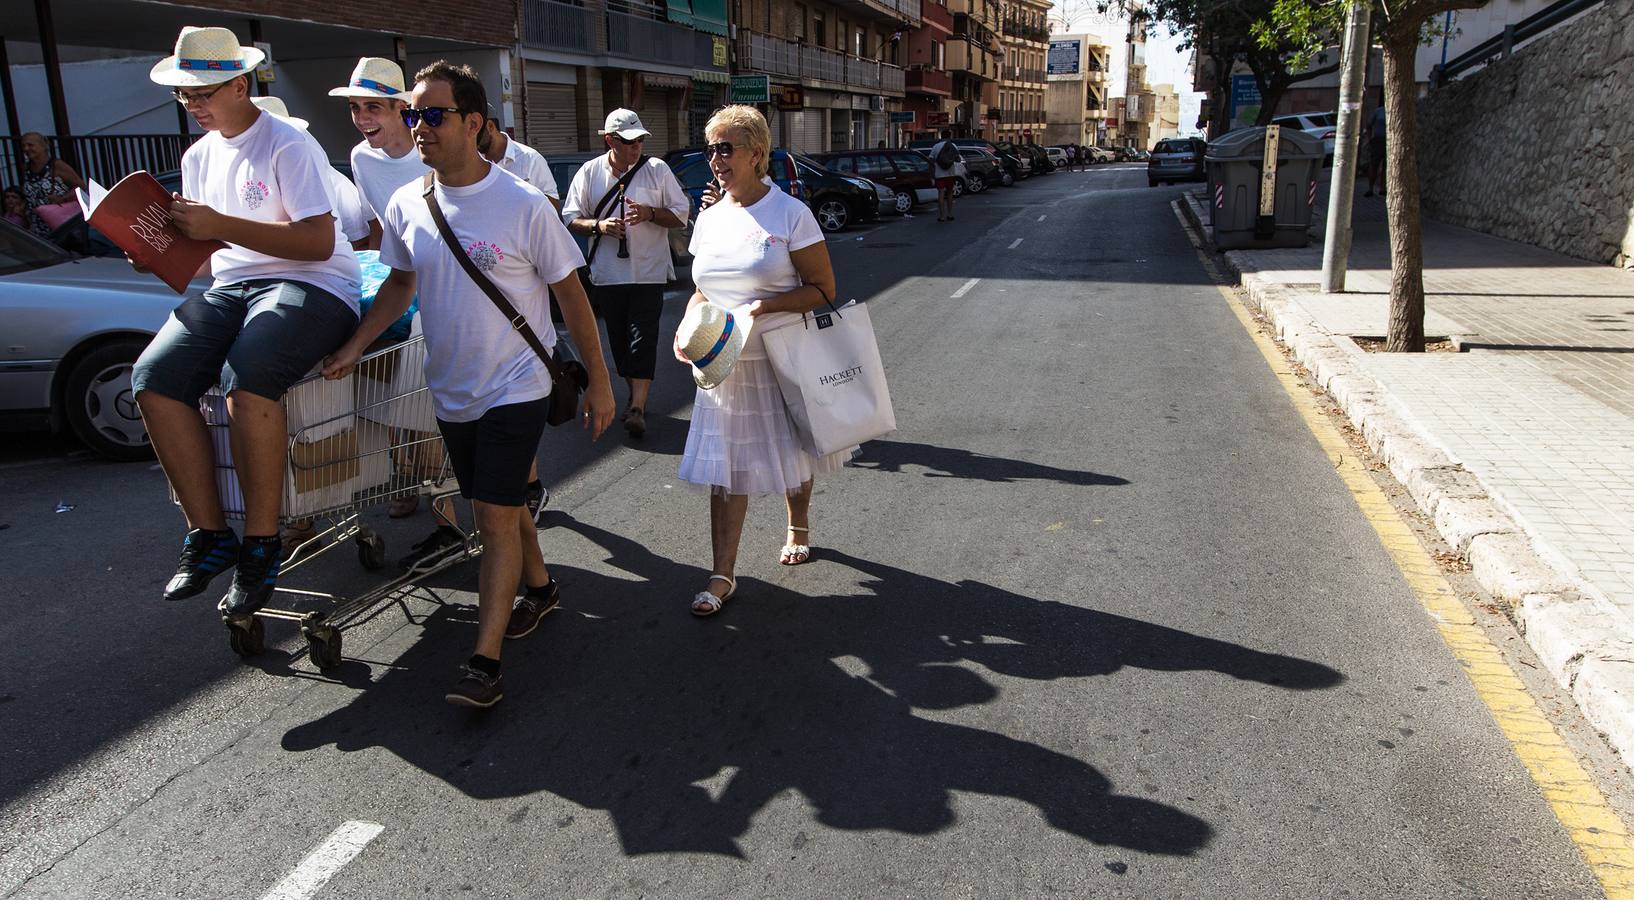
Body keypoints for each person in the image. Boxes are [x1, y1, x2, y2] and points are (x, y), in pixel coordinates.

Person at [321, 60, 614, 708]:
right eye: (411, 114)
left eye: (431, 114)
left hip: (517, 384)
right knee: (500, 503)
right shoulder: (406, 203)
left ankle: (485, 661)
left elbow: (570, 293)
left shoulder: (521, 202)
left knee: (490, 514)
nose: (416, 126)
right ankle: (540, 591)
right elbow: (399, 282)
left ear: (473, 122)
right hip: (451, 389)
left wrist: (598, 383)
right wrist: (354, 347)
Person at [132, 26, 362, 621]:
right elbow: (206, 256)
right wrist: (153, 250)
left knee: (250, 373)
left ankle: (262, 545)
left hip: (316, 283)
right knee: (153, 377)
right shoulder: (197, 155)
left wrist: (218, 227)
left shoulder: (288, 143)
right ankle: (209, 534)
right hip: (235, 284)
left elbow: (317, 241)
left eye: (204, 92)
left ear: (240, 84)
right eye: (185, 95)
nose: (195, 105)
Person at [672, 104, 842, 617]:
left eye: (726, 148)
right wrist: (687, 329)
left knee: (796, 451)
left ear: (757, 153)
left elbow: (824, 290)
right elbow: (702, 288)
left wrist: (766, 306)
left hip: (780, 355)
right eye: (711, 150)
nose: (716, 160)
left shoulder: (791, 214)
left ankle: (799, 523)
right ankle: (723, 573)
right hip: (724, 363)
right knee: (727, 470)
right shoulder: (709, 217)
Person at [563, 109, 689, 440]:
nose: (636, 149)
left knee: (643, 339)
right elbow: (570, 218)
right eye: (629, 143)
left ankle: (637, 407)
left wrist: (650, 213)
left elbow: (680, 215)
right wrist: (599, 226)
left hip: (649, 272)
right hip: (607, 275)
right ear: (610, 141)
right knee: (619, 343)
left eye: (640, 142)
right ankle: (635, 396)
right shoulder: (590, 173)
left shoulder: (657, 170)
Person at [332, 58, 424, 253]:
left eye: (373, 107)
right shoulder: (360, 157)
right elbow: (378, 226)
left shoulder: (434, 150)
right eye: (354, 107)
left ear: (400, 107)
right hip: (400, 275)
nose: (361, 118)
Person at [477, 111, 559, 208]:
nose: (471, 141)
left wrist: (518, 197)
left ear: (490, 126)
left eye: (476, 135)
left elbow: (553, 205)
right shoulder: (473, 163)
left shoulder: (530, 159)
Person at [18, 131, 86, 241]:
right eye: (23, 146)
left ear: (44, 145)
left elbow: (81, 187)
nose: (26, 149)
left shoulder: (57, 166)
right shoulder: (26, 168)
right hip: (37, 225)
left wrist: (62, 198)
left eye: (30, 145)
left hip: (58, 224)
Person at [929, 128, 959, 223]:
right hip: (950, 174)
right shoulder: (953, 146)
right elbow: (958, 159)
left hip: (939, 174)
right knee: (950, 193)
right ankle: (950, 214)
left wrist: (932, 173)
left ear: (941, 136)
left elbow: (931, 160)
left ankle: (942, 216)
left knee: (941, 194)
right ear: (949, 136)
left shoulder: (936, 146)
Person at [1365, 103, 1386, 198]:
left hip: (1389, 141)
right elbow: (1369, 125)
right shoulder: (1379, 111)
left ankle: (1383, 188)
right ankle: (1370, 188)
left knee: (1386, 167)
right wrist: (1370, 139)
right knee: (1374, 165)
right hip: (1378, 140)